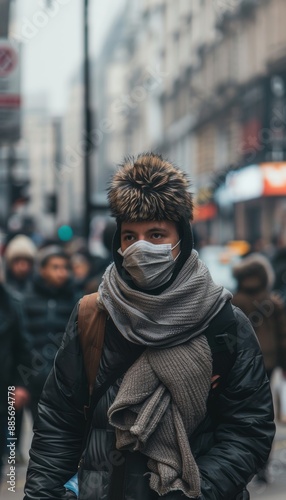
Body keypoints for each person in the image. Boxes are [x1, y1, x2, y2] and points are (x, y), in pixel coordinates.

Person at [24, 153, 275, 500]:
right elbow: (59, 422)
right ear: (119, 244)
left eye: (156, 234)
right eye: (130, 236)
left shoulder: (223, 322)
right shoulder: (93, 315)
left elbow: (248, 430)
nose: (141, 247)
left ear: (181, 240)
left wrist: (195, 492)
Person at [21, 245, 78, 419]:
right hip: (32, 377)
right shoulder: (27, 300)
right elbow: (22, 340)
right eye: (55, 267)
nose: (61, 272)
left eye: (65, 267)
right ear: (43, 270)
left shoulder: (76, 300)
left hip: (65, 382)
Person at [0, 257, 31, 482]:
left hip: (5, 382)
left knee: (6, 440)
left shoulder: (11, 303)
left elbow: (23, 347)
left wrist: (20, 384)